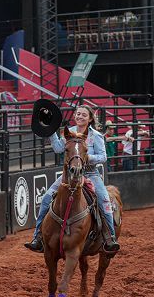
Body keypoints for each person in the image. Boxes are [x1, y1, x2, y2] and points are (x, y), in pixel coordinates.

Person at [25, 105, 120, 254]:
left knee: (104, 200)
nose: (80, 117)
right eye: (78, 114)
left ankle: (110, 237)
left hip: (90, 173)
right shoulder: (69, 132)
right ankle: (37, 236)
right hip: (69, 175)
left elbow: (103, 157)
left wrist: (87, 157)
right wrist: (52, 132)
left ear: (89, 119)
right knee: (46, 198)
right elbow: (58, 148)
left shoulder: (95, 135)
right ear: (75, 116)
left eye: (84, 115)